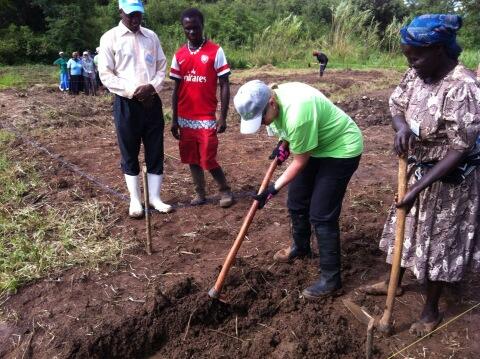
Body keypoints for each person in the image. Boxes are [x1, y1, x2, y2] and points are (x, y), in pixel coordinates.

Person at [361, 14, 480, 337]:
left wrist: (419, 188)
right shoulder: (416, 74)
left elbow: (460, 149)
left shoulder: (462, 87)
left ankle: (431, 309)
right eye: (407, 57)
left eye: (416, 56)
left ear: (440, 50)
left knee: (440, 244)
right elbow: (396, 105)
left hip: (449, 181)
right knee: (403, 225)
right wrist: (400, 129)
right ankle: (393, 281)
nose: (411, 63)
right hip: (416, 170)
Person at [233, 80, 363, 299]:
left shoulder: (298, 114)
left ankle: (331, 279)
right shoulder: (275, 100)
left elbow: (300, 160)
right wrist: (283, 147)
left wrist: (273, 188)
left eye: (262, 119)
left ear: (271, 103)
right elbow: (286, 132)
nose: (263, 125)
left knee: (321, 214)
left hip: (341, 148)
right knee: (296, 201)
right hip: (315, 146)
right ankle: (300, 247)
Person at [98, 0, 172, 217]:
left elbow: (161, 66)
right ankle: (135, 200)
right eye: (130, 15)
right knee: (129, 151)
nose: (135, 19)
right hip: (126, 103)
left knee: (155, 149)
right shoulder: (109, 38)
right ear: (120, 11)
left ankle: (155, 198)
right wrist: (134, 91)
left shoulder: (151, 37)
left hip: (152, 102)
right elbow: (106, 74)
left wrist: (152, 87)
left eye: (138, 14)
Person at [170, 8, 233, 208]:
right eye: (187, 29)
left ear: (202, 26)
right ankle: (200, 193)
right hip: (185, 117)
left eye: (195, 28)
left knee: (207, 157)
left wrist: (222, 116)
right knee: (191, 157)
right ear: (183, 29)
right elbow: (175, 89)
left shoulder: (216, 51)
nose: (192, 32)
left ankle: (225, 190)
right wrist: (174, 119)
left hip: (206, 116)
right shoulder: (179, 54)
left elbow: (224, 84)